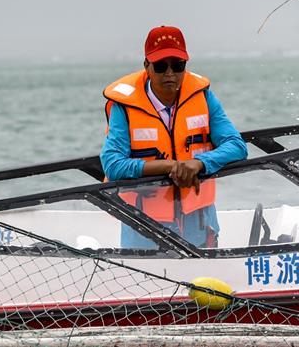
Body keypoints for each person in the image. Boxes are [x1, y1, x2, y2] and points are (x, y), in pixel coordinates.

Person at [100, 26, 247, 248]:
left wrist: (199, 163)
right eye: (161, 66)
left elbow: (236, 146)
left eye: (178, 65)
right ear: (147, 66)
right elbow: (112, 165)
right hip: (144, 230)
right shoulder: (124, 107)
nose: (170, 73)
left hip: (199, 224)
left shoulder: (204, 96)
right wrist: (170, 166)